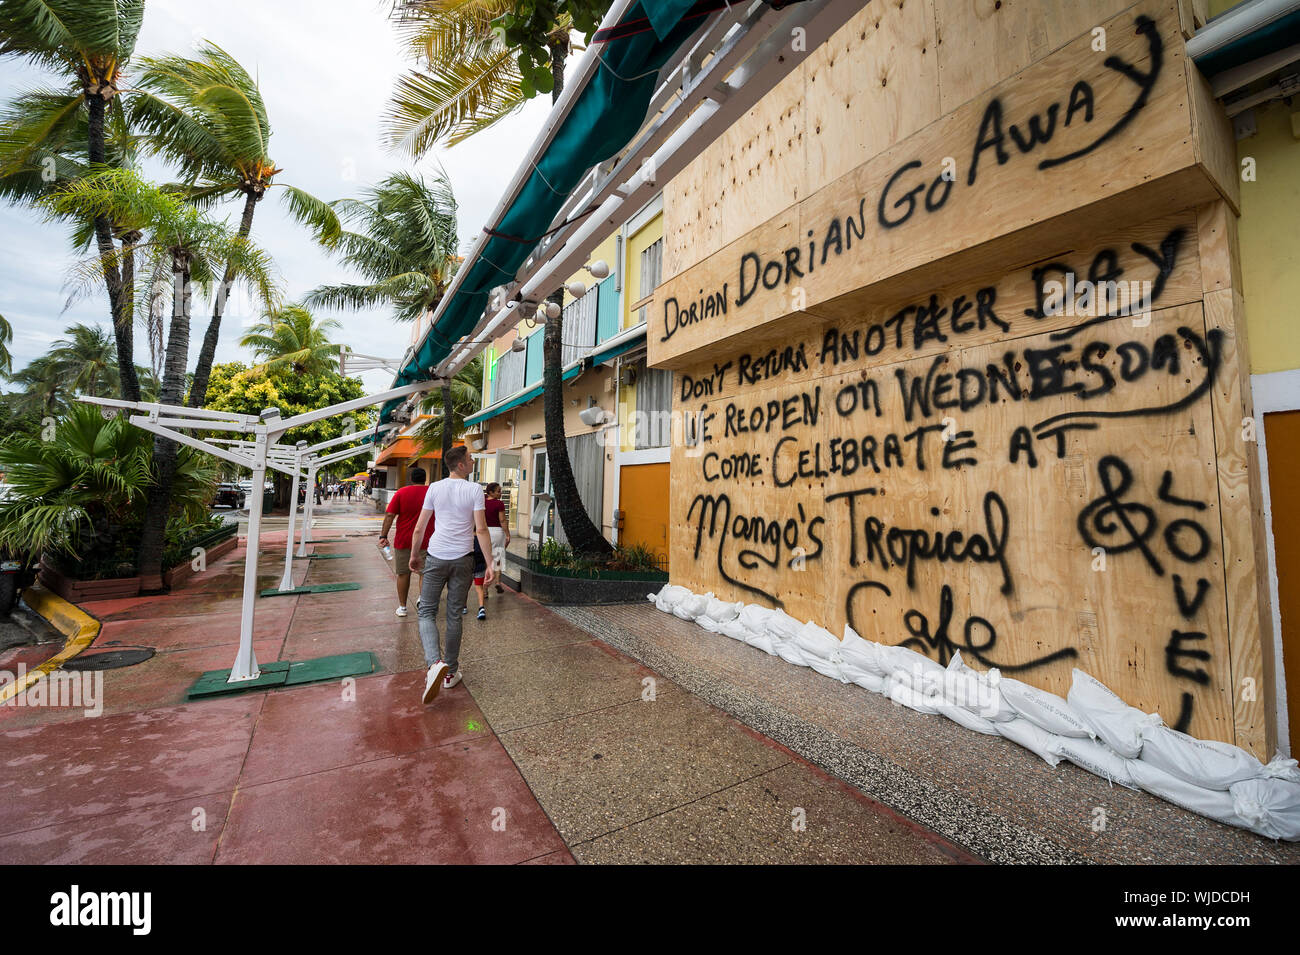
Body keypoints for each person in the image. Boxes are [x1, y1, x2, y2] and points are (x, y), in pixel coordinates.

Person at [409, 446, 494, 704]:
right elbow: (481, 529)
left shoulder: (434, 488)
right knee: (454, 614)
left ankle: (434, 662)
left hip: (436, 556)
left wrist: (414, 554)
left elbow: (420, 527)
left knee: (426, 612)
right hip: (463, 559)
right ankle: (450, 672)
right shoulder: (474, 490)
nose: (472, 461)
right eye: (469, 459)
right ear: (460, 465)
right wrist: (491, 563)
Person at [378, 467, 434, 618]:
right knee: (424, 573)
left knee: (403, 574)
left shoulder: (402, 492)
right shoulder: (432, 492)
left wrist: (383, 535)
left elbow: (390, 515)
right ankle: (423, 602)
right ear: (425, 478)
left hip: (404, 539)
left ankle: (402, 607)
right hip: (427, 539)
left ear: (411, 479)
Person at [484, 482, 510, 594]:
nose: (500, 493)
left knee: (487, 560)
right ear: (491, 492)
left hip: (485, 532)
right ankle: (498, 582)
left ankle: (484, 590)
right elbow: (503, 520)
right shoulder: (499, 504)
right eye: (498, 491)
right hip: (497, 532)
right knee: (498, 557)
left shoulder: (482, 503)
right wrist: (508, 534)